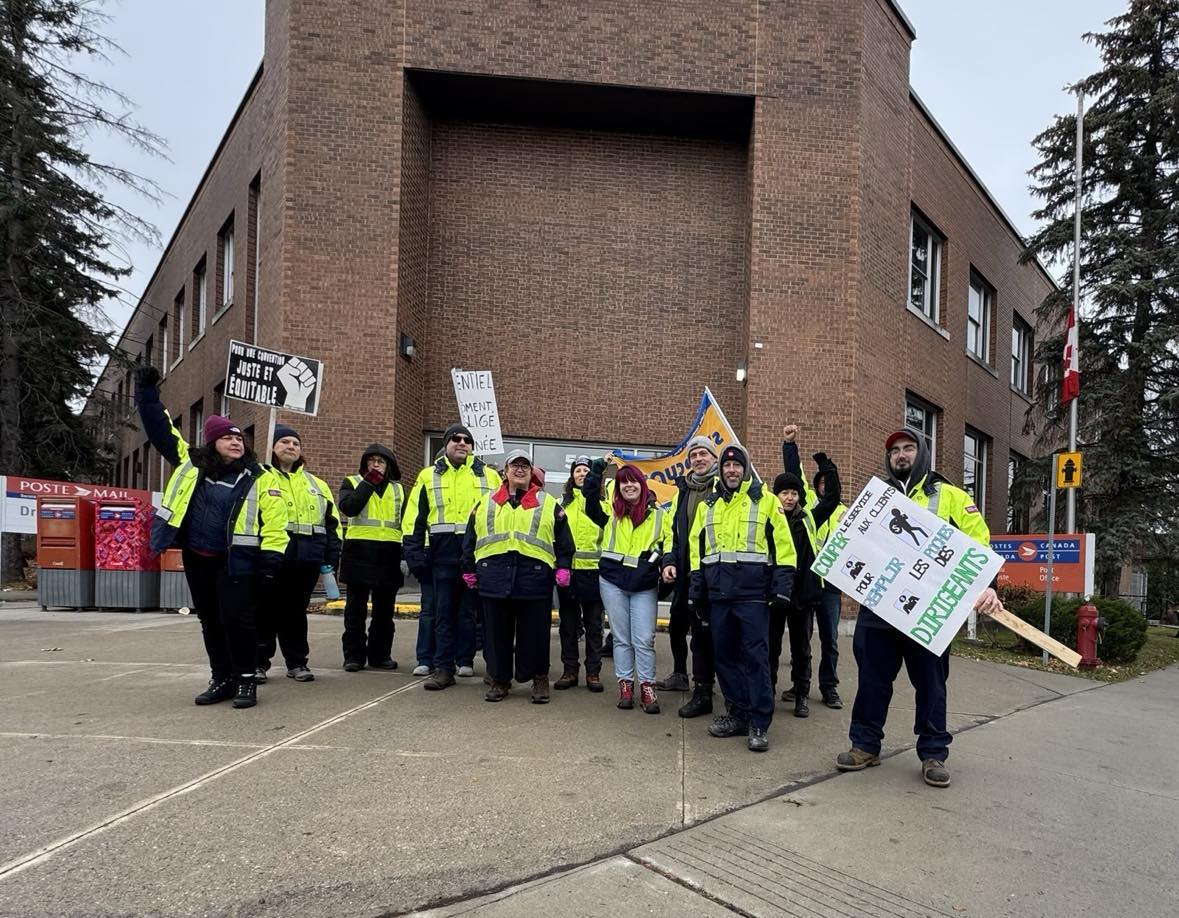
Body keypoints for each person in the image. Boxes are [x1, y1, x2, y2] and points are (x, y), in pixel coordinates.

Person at [836, 428, 1001, 788]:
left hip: (928, 614)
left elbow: (980, 546)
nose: (901, 455)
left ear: (922, 452)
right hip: (878, 608)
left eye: (908, 448)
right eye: (895, 450)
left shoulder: (953, 497)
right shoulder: (874, 498)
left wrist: (990, 586)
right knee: (871, 682)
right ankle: (865, 745)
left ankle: (933, 753)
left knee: (931, 684)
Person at [134, 366, 288, 709]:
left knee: (239, 619)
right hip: (197, 557)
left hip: (236, 561)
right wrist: (147, 392)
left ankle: (247, 679)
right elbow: (160, 429)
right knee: (210, 621)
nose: (236, 442)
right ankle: (222, 678)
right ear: (212, 442)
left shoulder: (258, 475)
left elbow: (276, 520)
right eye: (227, 437)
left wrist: (272, 557)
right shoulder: (191, 463)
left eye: (239, 438)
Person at [689, 445, 795, 752]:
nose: (731, 470)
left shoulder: (766, 501)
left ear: (746, 468)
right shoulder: (709, 505)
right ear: (721, 471)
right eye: (727, 466)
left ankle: (759, 722)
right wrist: (697, 590)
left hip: (753, 597)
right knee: (724, 658)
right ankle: (738, 713)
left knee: (756, 659)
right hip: (719, 596)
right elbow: (698, 552)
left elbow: (785, 549)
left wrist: (782, 587)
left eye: (737, 466)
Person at [463, 450, 574, 703]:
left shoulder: (548, 503)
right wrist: (468, 568)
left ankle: (539, 679)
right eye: (515, 465)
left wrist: (564, 567)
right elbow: (470, 538)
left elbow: (565, 542)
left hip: (533, 578)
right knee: (495, 634)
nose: (520, 470)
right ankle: (499, 680)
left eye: (525, 466)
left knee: (535, 634)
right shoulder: (486, 502)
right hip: (494, 576)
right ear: (506, 470)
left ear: (531, 471)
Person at [403, 423, 501, 690]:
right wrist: (414, 555)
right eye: (455, 439)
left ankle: (466, 659)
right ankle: (443, 668)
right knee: (443, 614)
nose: (462, 443)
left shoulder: (490, 476)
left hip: (477, 556)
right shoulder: (428, 476)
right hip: (442, 555)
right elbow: (414, 518)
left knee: (471, 614)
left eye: (467, 440)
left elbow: (501, 515)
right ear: (445, 444)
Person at [581, 461, 671, 714]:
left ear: (642, 486)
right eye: (623, 482)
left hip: (643, 585)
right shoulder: (610, 514)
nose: (628, 485)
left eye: (633, 481)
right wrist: (598, 469)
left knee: (643, 639)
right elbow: (589, 497)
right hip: (612, 582)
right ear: (618, 489)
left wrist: (666, 564)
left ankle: (647, 687)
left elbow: (670, 546)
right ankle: (626, 686)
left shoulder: (660, 516)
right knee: (621, 639)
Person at [256, 424, 342, 683]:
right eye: (284, 442)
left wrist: (330, 557)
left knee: (295, 613)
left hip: (306, 560)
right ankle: (258, 663)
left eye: (295, 443)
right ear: (273, 447)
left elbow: (332, 524)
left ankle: (297, 663)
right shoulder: (260, 478)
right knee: (265, 611)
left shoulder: (316, 484)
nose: (290, 447)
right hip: (271, 556)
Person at [768, 435, 841, 718]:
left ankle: (801, 695)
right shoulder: (767, 517)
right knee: (771, 647)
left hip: (803, 595)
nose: (789, 497)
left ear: (800, 496)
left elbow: (832, 498)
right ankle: (770, 691)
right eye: (784, 493)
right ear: (777, 495)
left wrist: (826, 467)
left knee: (802, 649)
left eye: (794, 493)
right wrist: (789, 447)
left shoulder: (810, 518)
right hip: (775, 594)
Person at [781, 425, 849, 710]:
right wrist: (789, 446)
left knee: (831, 640)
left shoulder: (841, 511)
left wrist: (826, 465)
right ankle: (800, 686)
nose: (823, 487)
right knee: (802, 640)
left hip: (830, 585)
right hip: (808, 584)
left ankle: (829, 687)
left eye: (826, 483)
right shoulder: (806, 510)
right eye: (818, 483)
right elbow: (792, 476)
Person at [657, 436, 719, 718]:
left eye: (704, 454)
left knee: (704, 633)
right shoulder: (682, 490)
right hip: (683, 570)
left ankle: (704, 687)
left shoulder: (723, 487)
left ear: (714, 458)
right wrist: (669, 561)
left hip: (711, 571)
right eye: (694, 455)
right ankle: (680, 673)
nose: (698, 459)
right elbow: (672, 530)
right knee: (677, 625)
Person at [337, 444, 404, 672]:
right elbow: (349, 507)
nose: (376, 464)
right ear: (365, 463)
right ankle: (354, 656)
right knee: (355, 610)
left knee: (384, 611)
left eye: (381, 461)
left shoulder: (399, 490)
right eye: (372, 460)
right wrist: (368, 482)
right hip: (359, 553)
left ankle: (380, 655)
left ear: (389, 465)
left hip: (389, 555)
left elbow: (406, 523)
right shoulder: (352, 482)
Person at [554, 456, 608, 693]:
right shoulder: (560, 504)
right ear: (572, 475)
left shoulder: (603, 506)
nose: (583, 473)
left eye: (587, 470)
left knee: (594, 626)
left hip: (594, 574)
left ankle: (593, 673)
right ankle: (570, 670)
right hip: (568, 574)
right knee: (568, 626)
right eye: (578, 470)